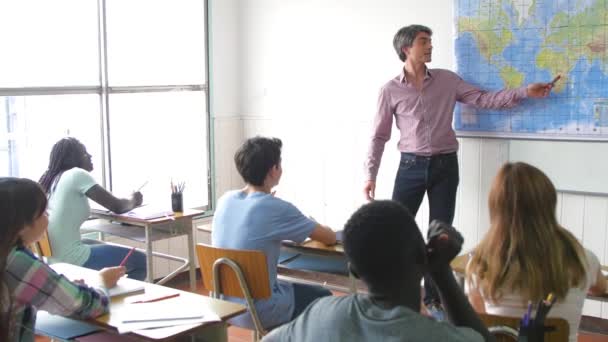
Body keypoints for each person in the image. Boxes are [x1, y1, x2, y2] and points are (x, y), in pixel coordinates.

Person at [362, 24, 558, 317]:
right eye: (424, 41)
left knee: (440, 235)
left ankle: (433, 298)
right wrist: (370, 174)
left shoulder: (447, 80)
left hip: (445, 166)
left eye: (430, 41)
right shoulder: (389, 90)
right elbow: (379, 136)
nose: (430, 46)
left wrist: (524, 92)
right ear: (406, 49)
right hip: (410, 167)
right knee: (397, 229)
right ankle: (394, 294)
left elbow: (483, 99)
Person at [263, 200, 493, 342]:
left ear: (354, 270)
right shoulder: (438, 337)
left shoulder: (320, 316)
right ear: (423, 258)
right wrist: (441, 273)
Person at [466, 162, 607, 342]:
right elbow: (600, 288)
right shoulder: (584, 259)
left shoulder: (480, 266)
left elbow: (482, 323)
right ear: (550, 203)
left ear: (495, 208)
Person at [212, 136, 336, 330]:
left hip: (224, 304)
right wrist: (310, 222)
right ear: (273, 169)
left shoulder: (225, 200)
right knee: (324, 298)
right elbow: (328, 237)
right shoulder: (276, 208)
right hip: (259, 309)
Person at [0, 177, 125, 342]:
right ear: (22, 224)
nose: (48, 218)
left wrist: (67, 288)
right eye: (44, 213)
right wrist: (101, 281)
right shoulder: (17, 261)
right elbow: (88, 305)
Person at [38, 137, 146, 280]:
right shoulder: (76, 174)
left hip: (52, 256)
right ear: (73, 159)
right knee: (142, 261)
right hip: (70, 257)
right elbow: (118, 206)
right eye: (84, 153)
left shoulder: (51, 179)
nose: (90, 156)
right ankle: (111, 297)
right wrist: (134, 199)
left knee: (104, 246)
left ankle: (103, 292)